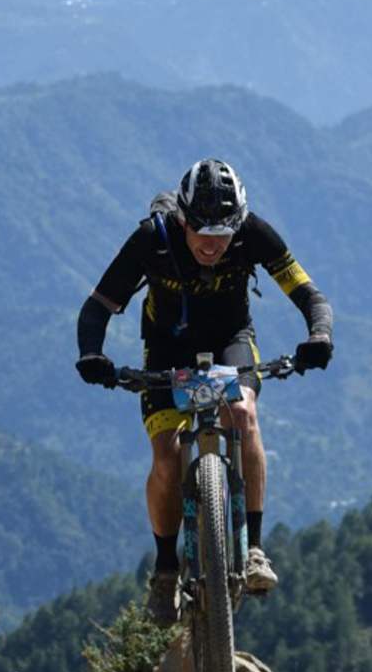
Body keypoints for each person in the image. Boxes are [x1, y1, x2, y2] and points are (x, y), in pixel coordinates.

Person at [75, 159, 333, 625]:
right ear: (182, 219)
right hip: (165, 349)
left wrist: (319, 337)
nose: (213, 245)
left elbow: (309, 294)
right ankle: (166, 569)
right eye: (202, 233)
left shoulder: (253, 233)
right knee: (167, 457)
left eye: (223, 234)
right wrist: (91, 354)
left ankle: (253, 548)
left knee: (244, 414)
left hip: (231, 339)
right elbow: (99, 305)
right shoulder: (151, 240)